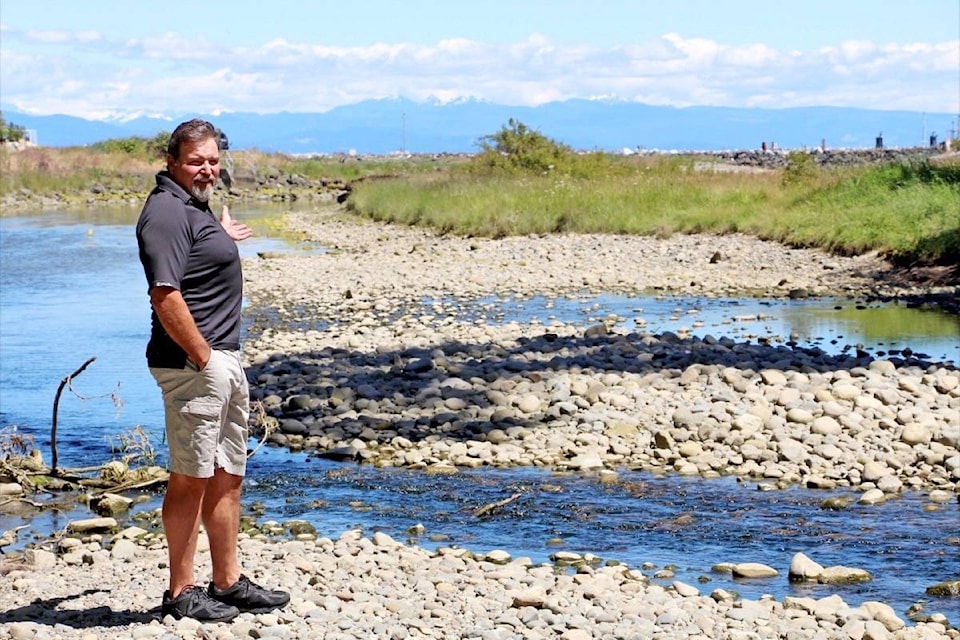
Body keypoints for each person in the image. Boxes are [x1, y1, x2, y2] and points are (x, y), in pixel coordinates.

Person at [136, 118, 290, 622]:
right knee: (190, 477)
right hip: (193, 362)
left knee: (227, 473)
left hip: (219, 358)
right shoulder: (164, 212)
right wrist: (203, 357)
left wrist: (216, 236)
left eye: (212, 160)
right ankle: (181, 592)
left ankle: (226, 583)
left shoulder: (190, 207)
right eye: (195, 161)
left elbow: (193, 261)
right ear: (171, 162)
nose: (206, 169)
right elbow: (165, 294)